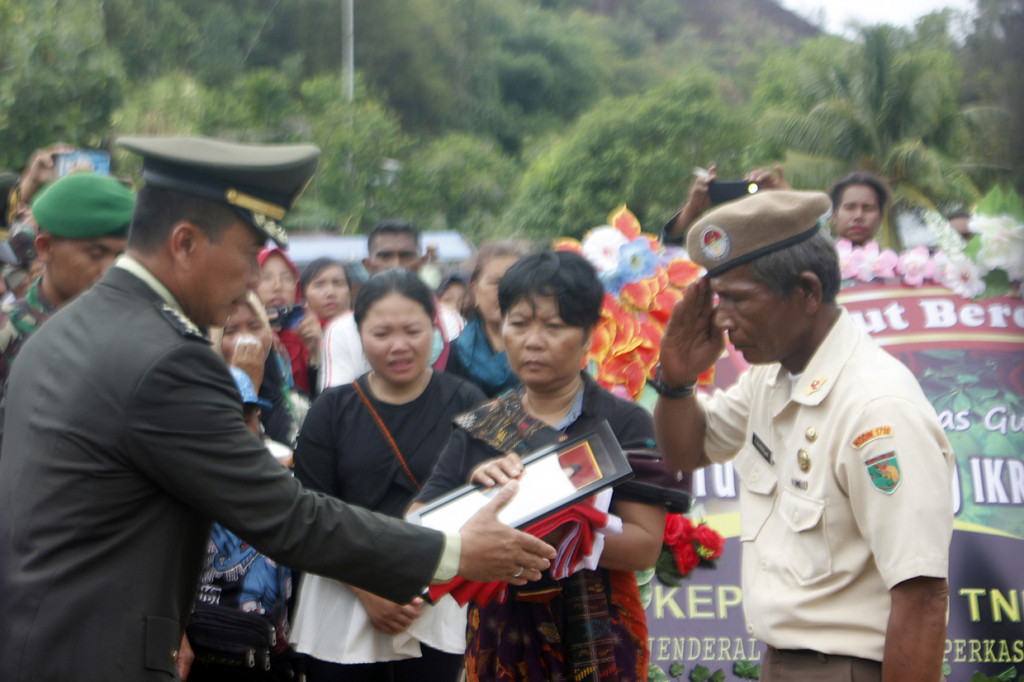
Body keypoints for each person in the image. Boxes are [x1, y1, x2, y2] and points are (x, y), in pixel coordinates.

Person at [0, 135, 555, 682]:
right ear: (186, 243)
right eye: (247, 255)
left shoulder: (65, 328)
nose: (252, 280)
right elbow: (285, 516)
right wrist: (453, 552)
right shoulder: (167, 358)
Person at [653, 190, 953, 681]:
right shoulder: (771, 377)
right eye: (718, 299)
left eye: (739, 299)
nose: (722, 320)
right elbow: (686, 450)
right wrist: (677, 382)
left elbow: (921, 598)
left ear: (808, 292)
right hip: (784, 663)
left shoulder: (876, 407)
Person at [412, 250, 667, 681]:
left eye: (554, 326)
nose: (532, 340)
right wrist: (477, 498)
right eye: (518, 323)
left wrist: (554, 526)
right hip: (500, 633)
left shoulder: (623, 423)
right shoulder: (483, 426)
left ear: (588, 335)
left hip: (599, 630)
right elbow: (419, 525)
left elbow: (644, 545)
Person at [291, 269, 486, 681]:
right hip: (344, 598)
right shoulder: (330, 410)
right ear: (359, 333)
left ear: (433, 330)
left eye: (413, 330)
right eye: (381, 333)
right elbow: (310, 513)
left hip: (436, 598)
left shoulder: (467, 399)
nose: (399, 346)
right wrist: (368, 590)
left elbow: (485, 494)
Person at [186, 366, 299, 682]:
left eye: (248, 418)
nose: (241, 429)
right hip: (199, 656)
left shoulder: (280, 486)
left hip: (267, 658)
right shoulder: (178, 491)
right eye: (227, 418)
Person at [0, 172, 133, 388]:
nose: (109, 270)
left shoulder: (132, 333)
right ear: (45, 248)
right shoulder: (7, 334)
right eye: (96, 254)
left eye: (120, 256)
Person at [320, 219, 463, 390]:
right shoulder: (340, 330)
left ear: (423, 261)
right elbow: (338, 404)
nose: (396, 265)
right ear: (367, 264)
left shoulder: (451, 322)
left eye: (405, 256)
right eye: (385, 256)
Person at [213, 291, 301, 453]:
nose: (246, 339)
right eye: (231, 331)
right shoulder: (207, 399)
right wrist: (245, 385)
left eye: (254, 327)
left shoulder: (287, 394)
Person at [443, 240, 531, 397]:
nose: (506, 290)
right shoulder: (452, 355)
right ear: (474, 290)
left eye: (515, 281)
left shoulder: (540, 351)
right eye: (496, 282)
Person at [257, 246, 319, 396]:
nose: (277, 286)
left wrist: (316, 354)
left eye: (286, 278)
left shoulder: (312, 331)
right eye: (266, 278)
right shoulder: (235, 332)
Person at [827, 170, 891, 246]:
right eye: (850, 208)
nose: (858, 216)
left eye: (868, 209)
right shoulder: (815, 256)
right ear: (834, 215)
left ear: (881, 217)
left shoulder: (892, 257)